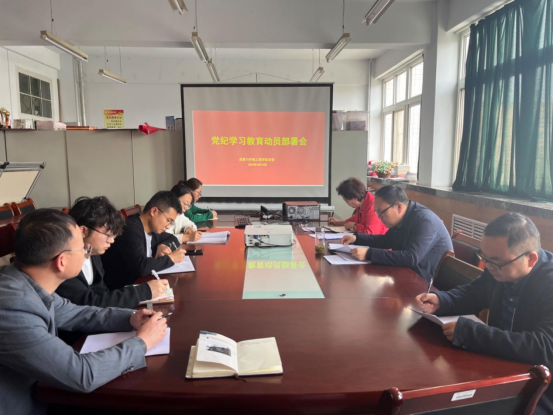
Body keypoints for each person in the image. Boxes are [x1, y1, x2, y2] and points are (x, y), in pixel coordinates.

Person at [0, 209, 168, 415]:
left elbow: (75, 313)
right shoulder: (12, 307)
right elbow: (82, 374)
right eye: (82, 248)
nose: (86, 252)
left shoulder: (25, 282)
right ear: (62, 261)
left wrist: (131, 318)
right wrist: (142, 343)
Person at [415, 213, 553, 415]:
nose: (487, 267)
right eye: (484, 258)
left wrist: (472, 334)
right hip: (499, 366)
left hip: (539, 388)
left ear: (531, 258)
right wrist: (442, 300)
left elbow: (545, 347)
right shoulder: (500, 266)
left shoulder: (548, 284)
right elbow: (474, 293)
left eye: (495, 262)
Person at [56, 197, 169, 308]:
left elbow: (102, 292)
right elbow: (86, 304)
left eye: (113, 236)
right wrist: (142, 292)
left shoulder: (93, 251)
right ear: (84, 231)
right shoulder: (64, 260)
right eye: (108, 235)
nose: (112, 241)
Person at [341, 185, 452, 281]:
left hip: (425, 284)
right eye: (376, 212)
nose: (379, 217)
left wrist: (369, 253)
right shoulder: (404, 217)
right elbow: (386, 240)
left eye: (381, 212)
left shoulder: (425, 221)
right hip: (406, 274)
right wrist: (356, 238)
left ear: (399, 207)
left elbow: (411, 257)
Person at [102, 191, 186, 290]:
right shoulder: (130, 228)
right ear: (154, 211)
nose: (168, 226)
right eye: (168, 220)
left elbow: (173, 238)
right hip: (121, 290)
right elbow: (142, 267)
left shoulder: (152, 230)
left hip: (140, 286)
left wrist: (164, 245)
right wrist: (171, 258)